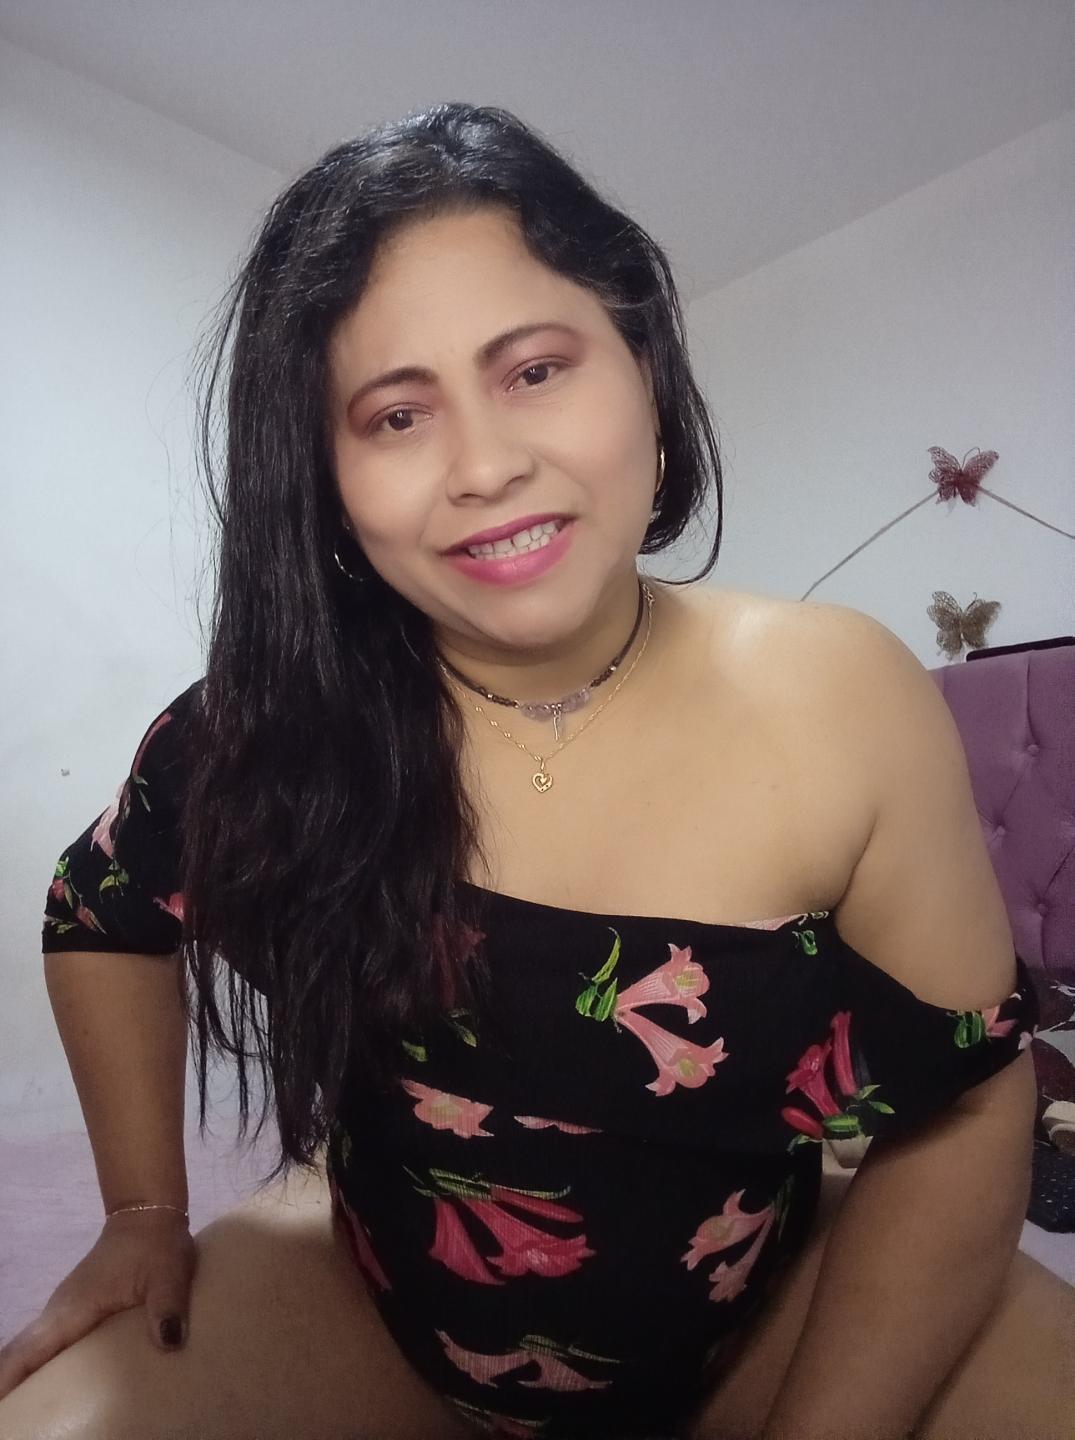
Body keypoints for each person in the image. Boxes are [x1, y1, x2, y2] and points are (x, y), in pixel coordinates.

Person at [0, 101, 1063, 1440]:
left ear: (643, 365)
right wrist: (144, 1209)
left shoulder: (844, 693)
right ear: (324, 480)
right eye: (397, 414)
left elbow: (967, 1096)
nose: (488, 466)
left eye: (537, 370)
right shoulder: (272, 722)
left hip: (765, 1312)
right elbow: (99, 908)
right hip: (372, 1306)